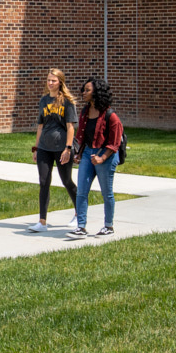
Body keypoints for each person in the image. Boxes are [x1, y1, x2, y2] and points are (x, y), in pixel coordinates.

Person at [66, 76, 123, 239]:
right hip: (87, 154)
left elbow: (114, 143)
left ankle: (108, 226)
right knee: (82, 191)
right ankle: (81, 227)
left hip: (105, 156)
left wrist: (102, 158)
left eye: (87, 90)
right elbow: (82, 135)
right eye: (83, 90)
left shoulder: (110, 115)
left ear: (97, 92)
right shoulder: (85, 111)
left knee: (107, 193)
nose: (83, 93)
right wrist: (78, 153)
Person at [27, 67, 78, 232]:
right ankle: (42, 222)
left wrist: (68, 149)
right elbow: (40, 126)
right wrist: (35, 147)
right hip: (44, 148)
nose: (50, 83)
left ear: (60, 82)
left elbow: (71, 127)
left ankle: (80, 214)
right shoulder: (44, 101)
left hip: (61, 148)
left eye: (53, 80)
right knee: (43, 182)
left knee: (67, 181)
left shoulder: (67, 102)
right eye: (48, 80)